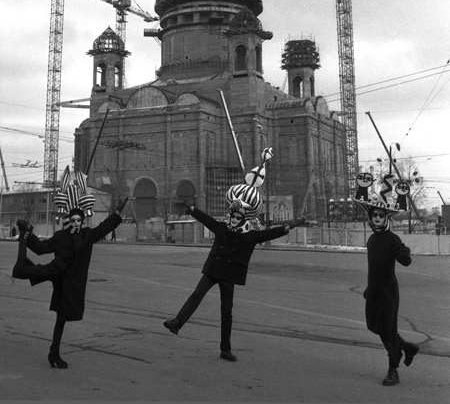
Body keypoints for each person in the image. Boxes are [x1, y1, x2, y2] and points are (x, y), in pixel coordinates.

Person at [163, 148, 306, 362]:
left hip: (228, 274)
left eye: (238, 212)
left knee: (226, 312)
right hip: (214, 269)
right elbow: (206, 219)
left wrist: (289, 226)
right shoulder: (223, 227)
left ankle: (225, 349)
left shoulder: (250, 235)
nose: (234, 215)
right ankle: (177, 323)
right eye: (234, 211)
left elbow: (271, 232)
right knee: (196, 295)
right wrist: (192, 209)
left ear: (244, 214)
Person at [12, 165, 128, 370]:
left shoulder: (87, 235)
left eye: (79, 219)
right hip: (58, 276)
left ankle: (53, 353)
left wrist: (117, 215)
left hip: (72, 283)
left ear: (82, 221)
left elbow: (104, 227)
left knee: (62, 318)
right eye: (72, 219)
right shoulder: (61, 237)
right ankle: (23, 250)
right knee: (41, 273)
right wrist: (29, 238)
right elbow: (40, 249)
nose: (76, 222)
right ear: (68, 219)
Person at [355, 173, 420, 386]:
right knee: (374, 326)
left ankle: (393, 369)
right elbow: (374, 268)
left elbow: (406, 261)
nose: (377, 219)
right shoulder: (372, 239)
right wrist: (368, 288)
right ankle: (407, 347)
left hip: (388, 293)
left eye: (381, 216)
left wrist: (403, 252)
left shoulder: (393, 239)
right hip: (374, 292)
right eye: (374, 216)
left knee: (388, 331)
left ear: (386, 218)